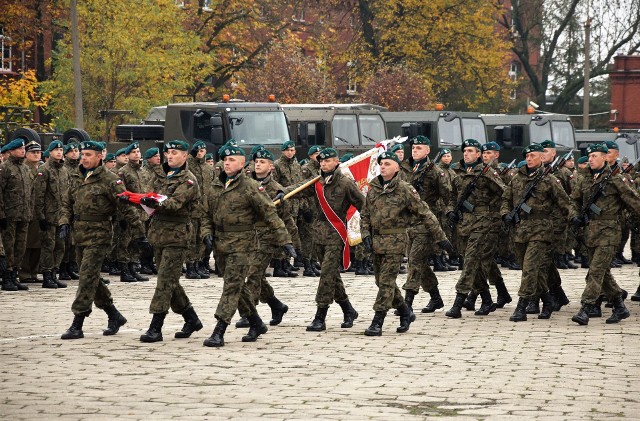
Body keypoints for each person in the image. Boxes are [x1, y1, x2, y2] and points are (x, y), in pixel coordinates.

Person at [201, 144, 294, 347]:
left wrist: (285, 240)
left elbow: (270, 214)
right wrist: (206, 233)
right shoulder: (215, 187)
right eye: (225, 160)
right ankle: (256, 322)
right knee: (239, 286)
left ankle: (219, 330)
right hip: (221, 245)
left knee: (231, 286)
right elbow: (206, 215)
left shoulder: (250, 186)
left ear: (243, 164)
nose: (227, 163)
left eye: (232, 159)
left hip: (243, 244)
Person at [59, 140, 148, 339]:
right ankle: (113, 314)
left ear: (100, 156)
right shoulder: (74, 175)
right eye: (83, 154)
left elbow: (125, 206)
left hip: (100, 235)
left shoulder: (110, 179)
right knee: (90, 276)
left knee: (86, 276)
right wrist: (64, 221)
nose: (84, 158)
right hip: (79, 234)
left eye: (89, 154)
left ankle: (77, 322)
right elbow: (66, 203)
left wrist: (140, 233)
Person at [360, 151, 449, 336]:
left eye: (387, 163)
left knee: (386, 282)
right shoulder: (374, 187)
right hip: (377, 241)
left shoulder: (404, 189)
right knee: (381, 281)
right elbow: (365, 214)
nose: (383, 166)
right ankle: (405, 311)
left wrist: (441, 237)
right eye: (381, 163)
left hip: (396, 240)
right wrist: (365, 234)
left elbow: (425, 213)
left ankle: (378, 321)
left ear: (397, 167)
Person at [286, 147, 365, 332]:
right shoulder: (317, 182)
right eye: (321, 161)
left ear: (336, 162)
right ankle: (348, 310)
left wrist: (367, 230)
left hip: (336, 234)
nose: (324, 163)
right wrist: (283, 192)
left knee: (326, 274)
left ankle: (320, 316)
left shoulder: (345, 183)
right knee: (332, 276)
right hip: (318, 233)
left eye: (328, 160)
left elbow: (363, 205)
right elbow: (298, 189)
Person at [133, 140, 204, 342]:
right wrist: (138, 200)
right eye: (168, 153)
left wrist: (154, 202)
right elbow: (150, 195)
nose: (169, 156)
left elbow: (174, 204)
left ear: (185, 155)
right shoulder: (160, 175)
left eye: (174, 152)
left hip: (177, 235)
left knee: (164, 281)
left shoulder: (188, 180)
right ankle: (191, 318)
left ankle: (156, 327)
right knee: (170, 280)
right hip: (159, 234)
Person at [501, 144, 575, 322]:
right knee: (534, 270)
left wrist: (574, 221)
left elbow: (566, 203)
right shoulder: (517, 178)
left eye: (532, 155)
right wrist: (505, 214)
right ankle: (548, 300)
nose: (528, 158)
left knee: (530, 268)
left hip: (541, 230)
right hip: (520, 230)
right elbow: (506, 198)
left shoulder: (549, 180)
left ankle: (521, 307)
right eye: (527, 155)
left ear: (541, 158)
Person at [570, 143, 640, 325]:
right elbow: (574, 201)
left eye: (595, 156)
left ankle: (585, 308)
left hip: (610, 232)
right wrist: (575, 216)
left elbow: (635, 203)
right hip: (590, 231)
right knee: (603, 272)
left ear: (605, 157)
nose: (591, 159)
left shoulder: (616, 180)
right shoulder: (585, 180)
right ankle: (619, 305)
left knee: (595, 271)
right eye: (589, 156)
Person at [445, 140, 506, 318]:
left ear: (478, 154)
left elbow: (505, 193)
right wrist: (450, 211)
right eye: (464, 151)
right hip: (464, 224)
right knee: (475, 263)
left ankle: (458, 302)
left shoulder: (487, 172)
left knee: (470, 261)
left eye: (470, 151)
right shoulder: (459, 174)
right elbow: (451, 197)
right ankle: (487, 300)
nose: (466, 154)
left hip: (484, 224)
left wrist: (493, 213)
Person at [234, 148, 293, 328]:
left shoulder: (277, 189)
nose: (258, 164)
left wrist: (287, 242)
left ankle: (248, 313)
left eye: (262, 162)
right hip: (249, 236)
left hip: (267, 237)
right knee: (257, 276)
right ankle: (277, 305)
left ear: (271, 167)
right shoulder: (246, 184)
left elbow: (285, 217)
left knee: (253, 274)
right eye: (256, 161)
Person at [400, 135, 454, 313]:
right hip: (408, 222)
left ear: (428, 150)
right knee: (420, 263)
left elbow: (448, 196)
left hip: (426, 222)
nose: (415, 150)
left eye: (419, 148)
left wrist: (448, 218)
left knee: (414, 260)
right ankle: (436, 297)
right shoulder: (406, 168)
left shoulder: (435, 171)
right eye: (414, 147)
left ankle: (407, 302)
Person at [0, 138, 34, 291]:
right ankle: (7, 277)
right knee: (9, 247)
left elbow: (30, 192)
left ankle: (14, 276)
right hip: (9, 215)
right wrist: (1, 215)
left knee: (20, 247)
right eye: (19, 149)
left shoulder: (26, 168)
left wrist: (30, 211)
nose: (22, 151)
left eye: (23, 149)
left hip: (24, 215)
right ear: (11, 151)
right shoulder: (5, 168)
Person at [35, 140, 69, 289]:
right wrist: (41, 216)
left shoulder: (64, 170)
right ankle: (47, 275)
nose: (59, 152)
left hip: (61, 216)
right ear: (50, 152)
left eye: (61, 150)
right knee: (48, 246)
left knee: (60, 246)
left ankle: (54, 272)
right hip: (48, 215)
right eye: (56, 150)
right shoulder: (44, 169)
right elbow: (39, 195)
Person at [117, 142, 149, 283]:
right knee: (126, 242)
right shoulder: (123, 172)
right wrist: (122, 216)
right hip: (129, 212)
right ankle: (124, 271)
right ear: (128, 155)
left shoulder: (143, 171)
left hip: (142, 212)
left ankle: (133, 268)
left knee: (137, 241)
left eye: (138, 151)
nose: (136, 154)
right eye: (133, 152)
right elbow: (120, 195)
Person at [185, 141, 213, 279]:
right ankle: (190, 266)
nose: (201, 153)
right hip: (192, 209)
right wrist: (192, 155)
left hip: (204, 209)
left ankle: (198, 264)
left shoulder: (209, 169)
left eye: (203, 150)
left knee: (201, 240)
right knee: (191, 238)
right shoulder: (188, 165)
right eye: (199, 150)